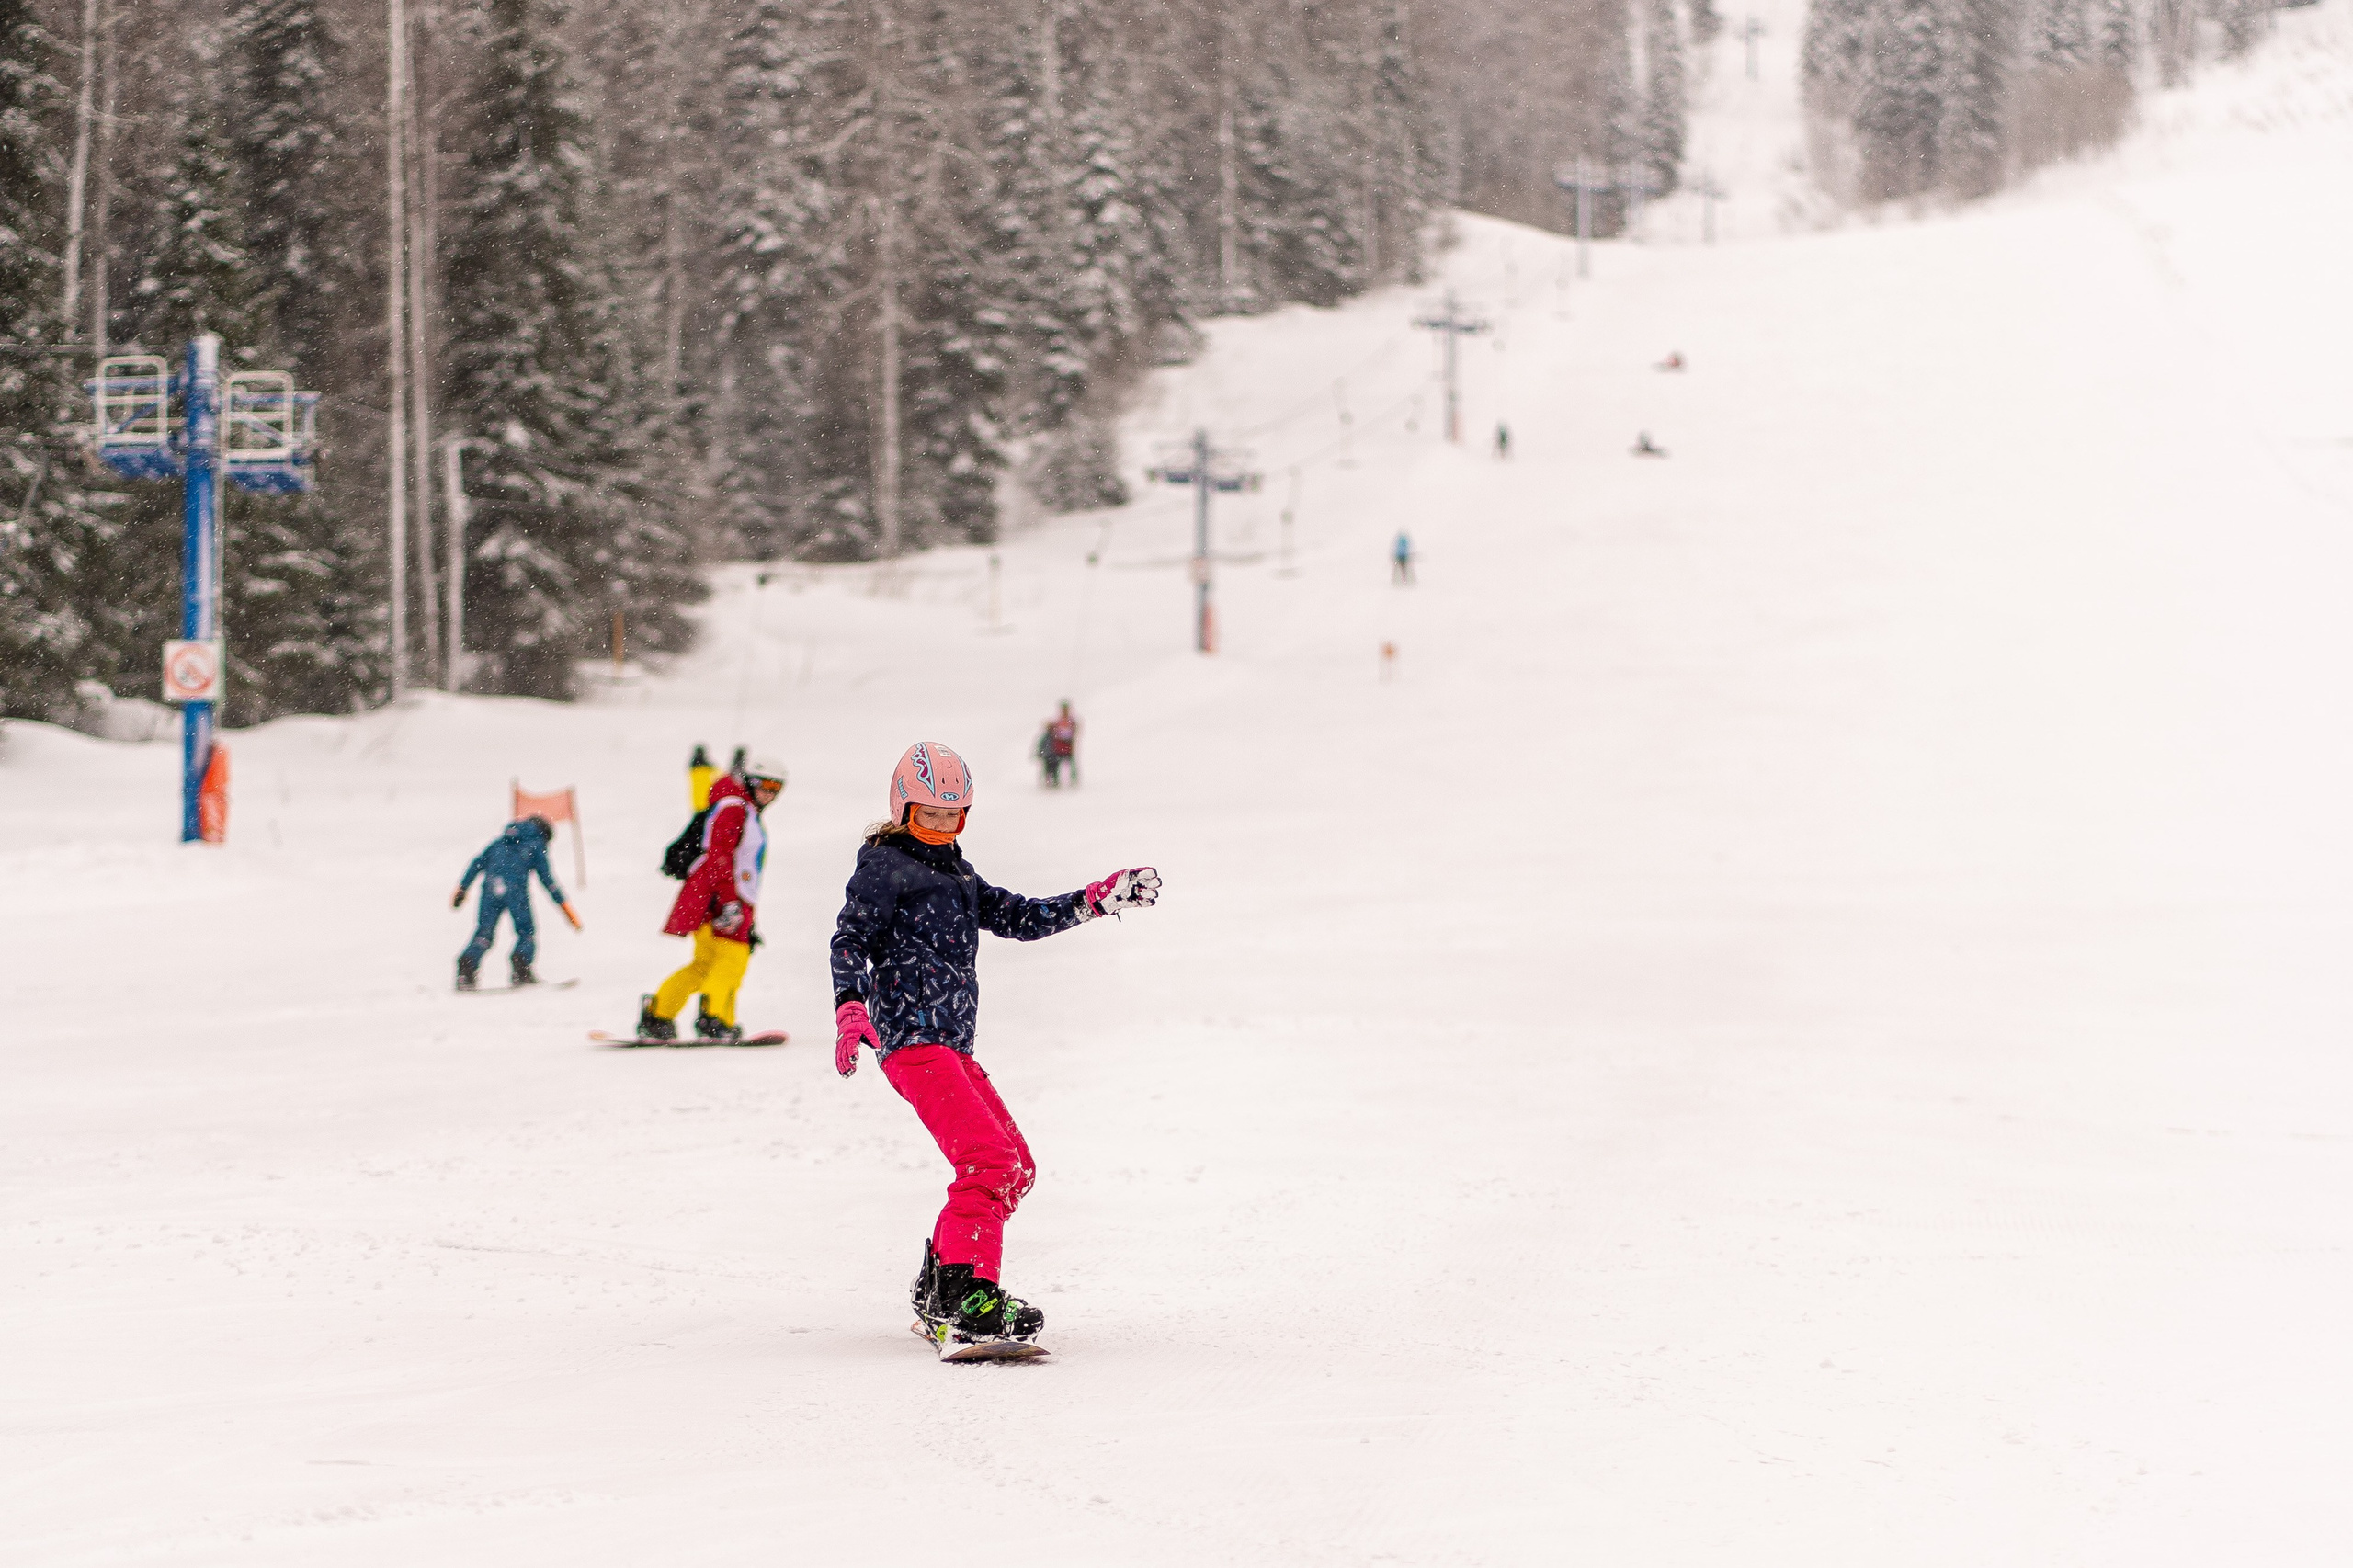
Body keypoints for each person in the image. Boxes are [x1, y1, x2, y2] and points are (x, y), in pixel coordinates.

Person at [831, 742, 1160, 1358]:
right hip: (912, 1040)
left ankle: (938, 1292)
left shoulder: (957, 873)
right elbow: (849, 938)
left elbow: (1020, 917)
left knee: (1015, 1165)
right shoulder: (884, 867)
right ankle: (966, 1299)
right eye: (928, 815)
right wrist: (850, 1005)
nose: (940, 827)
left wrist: (1095, 900)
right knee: (987, 1162)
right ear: (902, 811)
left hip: (950, 1045)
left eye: (952, 816)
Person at [637, 753, 788, 1042]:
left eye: (776, 787)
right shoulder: (734, 808)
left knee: (706, 964)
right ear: (750, 781)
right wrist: (729, 902)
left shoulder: (742, 809)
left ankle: (658, 1015)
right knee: (733, 958)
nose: (769, 793)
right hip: (717, 896)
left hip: (715, 895)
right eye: (765, 784)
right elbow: (720, 855)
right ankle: (714, 1019)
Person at [453, 816, 578, 989]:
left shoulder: (500, 842)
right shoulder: (536, 844)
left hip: (490, 889)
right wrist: (563, 905)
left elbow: (476, 864)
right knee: (525, 932)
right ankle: (521, 969)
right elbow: (547, 879)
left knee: (484, 933)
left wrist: (462, 888)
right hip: (515, 892)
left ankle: (466, 970)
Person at [1042, 701, 1080, 789]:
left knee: (1070, 764)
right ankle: (1055, 780)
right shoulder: (1058, 722)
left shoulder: (1070, 721)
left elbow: (1074, 733)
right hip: (1058, 747)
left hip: (1067, 746)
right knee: (1055, 764)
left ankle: (1072, 780)